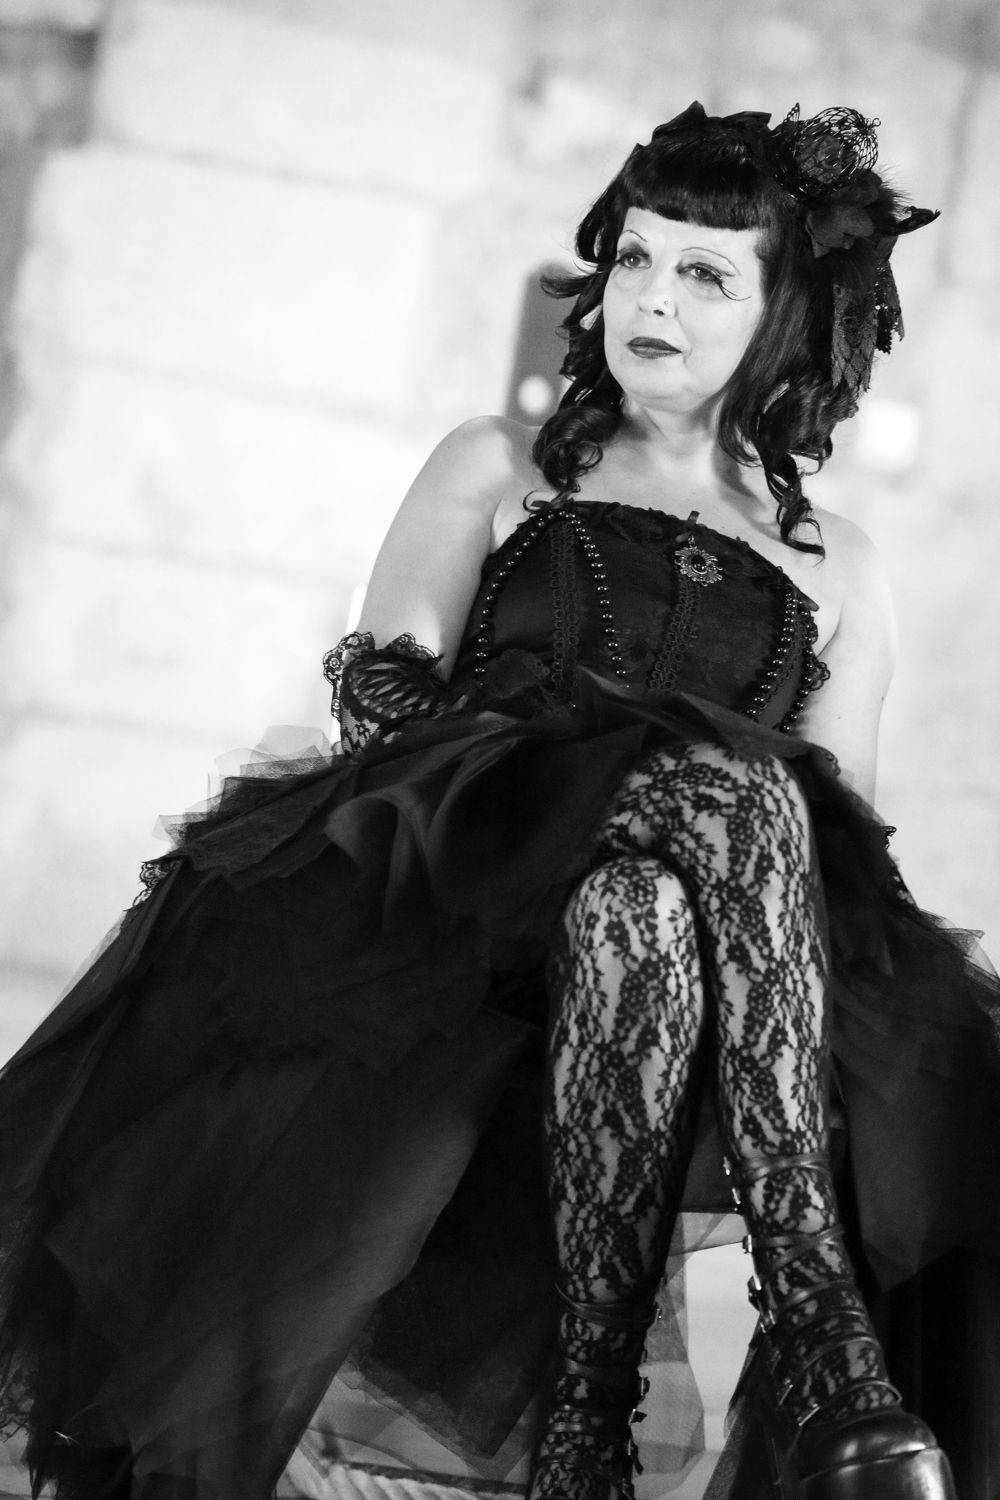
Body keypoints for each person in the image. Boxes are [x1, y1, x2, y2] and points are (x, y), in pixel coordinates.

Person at [0, 101, 997, 1500]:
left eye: (704, 273)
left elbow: (835, 851)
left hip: (696, 982)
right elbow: (386, 713)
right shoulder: (504, 467)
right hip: (455, 906)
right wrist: (620, 781)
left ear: (783, 314)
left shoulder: (841, 565)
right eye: (634, 258)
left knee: (655, 898)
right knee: (720, 791)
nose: (650, 299)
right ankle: (822, 1330)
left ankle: (586, 1432)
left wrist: (685, 832)